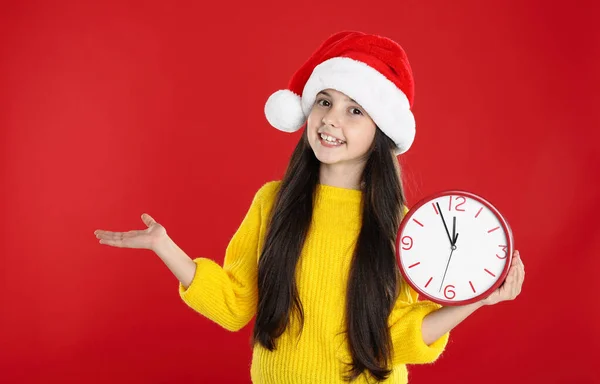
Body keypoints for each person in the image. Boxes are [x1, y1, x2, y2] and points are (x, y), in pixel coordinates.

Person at [94, 31, 525, 383]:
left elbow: (397, 338)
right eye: (324, 101)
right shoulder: (273, 202)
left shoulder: (400, 226)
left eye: (355, 109)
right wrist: (164, 246)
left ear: (381, 132)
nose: (332, 119)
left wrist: (476, 300)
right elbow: (233, 304)